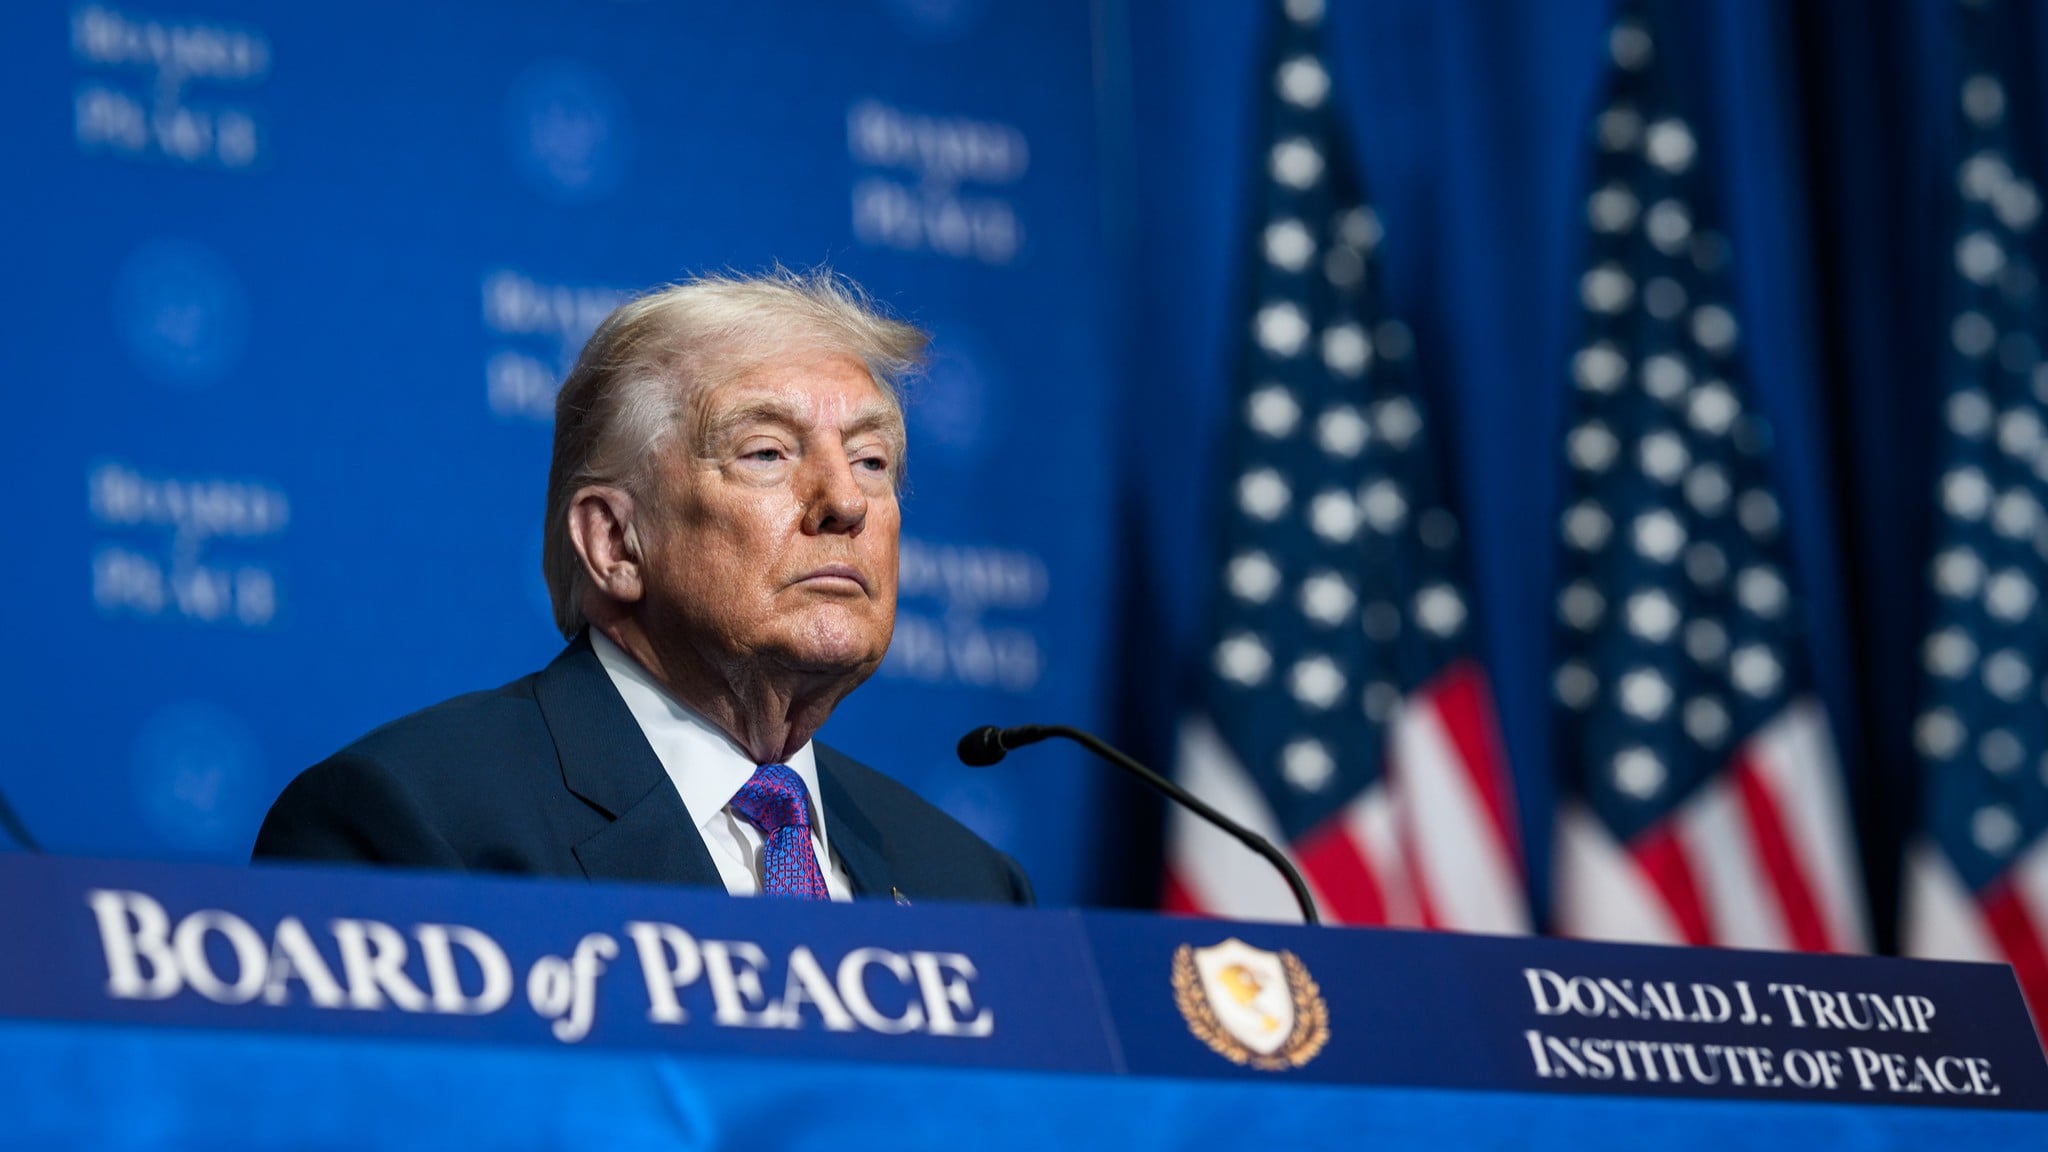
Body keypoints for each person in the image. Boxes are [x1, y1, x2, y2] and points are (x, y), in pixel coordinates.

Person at [253, 269, 1032, 906]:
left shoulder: (968, 886)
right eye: (766, 452)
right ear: (615, 541)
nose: (846, 502)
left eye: (872, 461)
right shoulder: (414, 828)